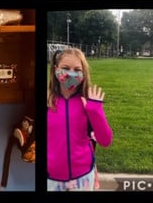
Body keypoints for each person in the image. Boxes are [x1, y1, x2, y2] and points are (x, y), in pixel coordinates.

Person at [47, 48, 113, 191]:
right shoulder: (48, 102)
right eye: (65, 68)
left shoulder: (87, 102)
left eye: (77, 69)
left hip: (82, 177)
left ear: (83, 74)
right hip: (51, 179)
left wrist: (95, 110)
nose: (71, 73)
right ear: (55, 70)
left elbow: (105, 140)